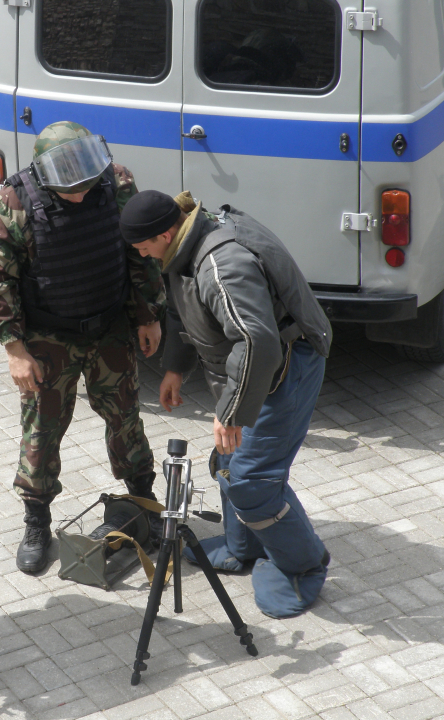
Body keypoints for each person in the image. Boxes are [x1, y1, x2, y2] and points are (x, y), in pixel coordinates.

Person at [119, 189, 333, 618]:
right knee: (228, 463)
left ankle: (302, 567)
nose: (140, 255)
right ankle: (244, 546)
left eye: (143, 246)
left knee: (252, 481)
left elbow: (257, 341)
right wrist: (176, 369)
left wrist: (231, 413)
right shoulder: (183, 245)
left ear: (165, 233)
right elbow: (186, 305)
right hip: (260, 368)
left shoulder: (222, 263)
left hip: (286, 368)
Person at [0, 121, 167, 574]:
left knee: (125, 418)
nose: (81, 194)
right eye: (70, 190)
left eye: (85, 185)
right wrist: (15, 348)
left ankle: (145, 502)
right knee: (42, 429)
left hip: (109, 329)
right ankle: (37, 520)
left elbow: (137, 256)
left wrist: (147, 313)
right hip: (48, 338)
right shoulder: (16, 199)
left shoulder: (115, 181)